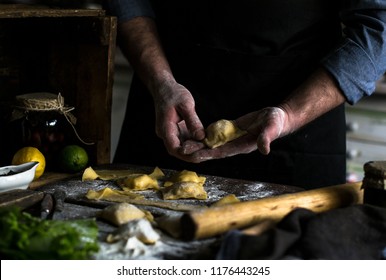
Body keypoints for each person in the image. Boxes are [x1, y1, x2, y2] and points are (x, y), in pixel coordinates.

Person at [105, 0, 386, 189]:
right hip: (162, 108)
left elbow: (378, 26)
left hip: (298, 126)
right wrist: (161, 82)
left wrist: (290, 114)